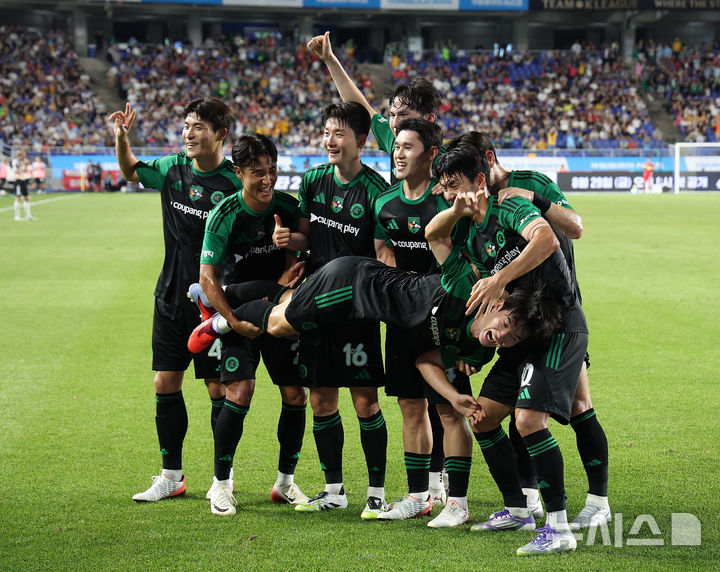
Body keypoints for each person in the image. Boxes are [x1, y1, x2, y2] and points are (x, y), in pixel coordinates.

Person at [307, 32, 449, 500]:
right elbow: (360, 109)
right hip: (399, 285)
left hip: (441, 284)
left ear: (428, 123)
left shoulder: (444, 161)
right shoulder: (395, 143)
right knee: (414, 390)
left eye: (404, 117)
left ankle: (443, 478)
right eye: (393, 117)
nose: (393, 126)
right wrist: (331, 60)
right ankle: (427, 484)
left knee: (441, 392)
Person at [433, 142, 586, 555]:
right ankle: (518, 509)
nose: (448, 193)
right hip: (521, 331)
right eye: (444, 186)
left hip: (559, 324)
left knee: (529, 420)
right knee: (483, 419)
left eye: (454, 184)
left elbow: (547, 240)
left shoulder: (510, 206)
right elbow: (436, 235)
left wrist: (500, 279)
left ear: (480, 180)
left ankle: (559, 528)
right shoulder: (471, 233)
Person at [460, 132, 610, 531]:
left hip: (558, 314)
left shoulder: (529, 183)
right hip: (518, 321)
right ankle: (525, 502)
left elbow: (575, 227)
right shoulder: (480, 217)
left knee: (577, 407)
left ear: (488, 160)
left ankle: (598, 502)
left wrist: (536, 200)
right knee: (512, 413)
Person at [109, 98, 240, 503]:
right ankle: (171, 476)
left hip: (214, 303)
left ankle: (222, 478)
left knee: (218, 388)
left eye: (197, 126)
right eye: (186, 126)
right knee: (165, 381)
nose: (188, 133)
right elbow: (130, 170)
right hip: (170, 295)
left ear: (220, 134)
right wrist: (122, 138)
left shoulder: (235, 183)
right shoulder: (171, 168)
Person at [270, 101, 391, 519]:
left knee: (365, 403)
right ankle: (334, 490)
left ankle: (376, 494)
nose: (329, 140)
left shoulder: (376, 190)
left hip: (357, 308)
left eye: (339, 133)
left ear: (361, 140)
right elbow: (306, 238)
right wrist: (288, 240)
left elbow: (381, 254)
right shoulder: (313, 180)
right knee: (321, 400)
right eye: (326, 132)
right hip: (315, 304)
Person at [191, 133, 309, 516]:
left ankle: (285, 484)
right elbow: (207, 276)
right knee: (239, 393)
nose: (267, 179)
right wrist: (231, 321)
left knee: (296, 395)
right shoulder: (224, 213)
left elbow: (297, 258)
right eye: (257, 172)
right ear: (239, 172)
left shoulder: (287, 207)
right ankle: (221, 485)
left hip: (277, 312)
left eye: (272, 170)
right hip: (237, 313)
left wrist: (286, 276)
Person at [370, 118, 474, 527]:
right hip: (402, 318)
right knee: (410, 406)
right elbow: (382, 250)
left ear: (431, 154)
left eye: (408, 147)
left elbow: (465, 260)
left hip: (444, 318)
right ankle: (418, 496)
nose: (398, 153)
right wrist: (398, 287)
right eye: (396, 146)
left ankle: (458, 502)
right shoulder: (384, 202)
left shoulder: (447, 203)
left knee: (449, 408)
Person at [12, 150, 35, 221]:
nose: (24, 157)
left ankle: (28, 216)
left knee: (27, 198)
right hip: (18, 181)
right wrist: (23, 164)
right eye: (23, 155)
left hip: (23, 181)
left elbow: (24, 171)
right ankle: (17, 216)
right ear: (20, 155)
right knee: (18, 198)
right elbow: (18, 171)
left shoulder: (23, 162)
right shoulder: (15, 162)